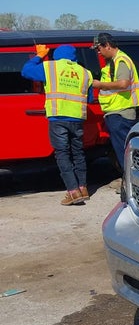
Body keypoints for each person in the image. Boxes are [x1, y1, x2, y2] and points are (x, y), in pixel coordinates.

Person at [21, 44, 94, 206]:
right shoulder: (85, 72)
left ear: (57, 55)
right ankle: (83, 188)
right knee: (78, 153)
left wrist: (39, 55)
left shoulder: (50, 67)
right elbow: (89, 99)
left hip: (58, 117)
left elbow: (26, 71)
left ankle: (73, 192)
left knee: (62, 154)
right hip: (77, 118)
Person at [91, 33, 139, 171]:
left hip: (121, 112)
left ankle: (130, 177)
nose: (98, 52)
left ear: (107, 46)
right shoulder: (113, 61)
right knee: (123, 150)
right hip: (116, 111)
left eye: (99, 48)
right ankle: (129, 176)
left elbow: (123, 83)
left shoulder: (120, 60)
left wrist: (100, 85)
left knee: (124, 151)